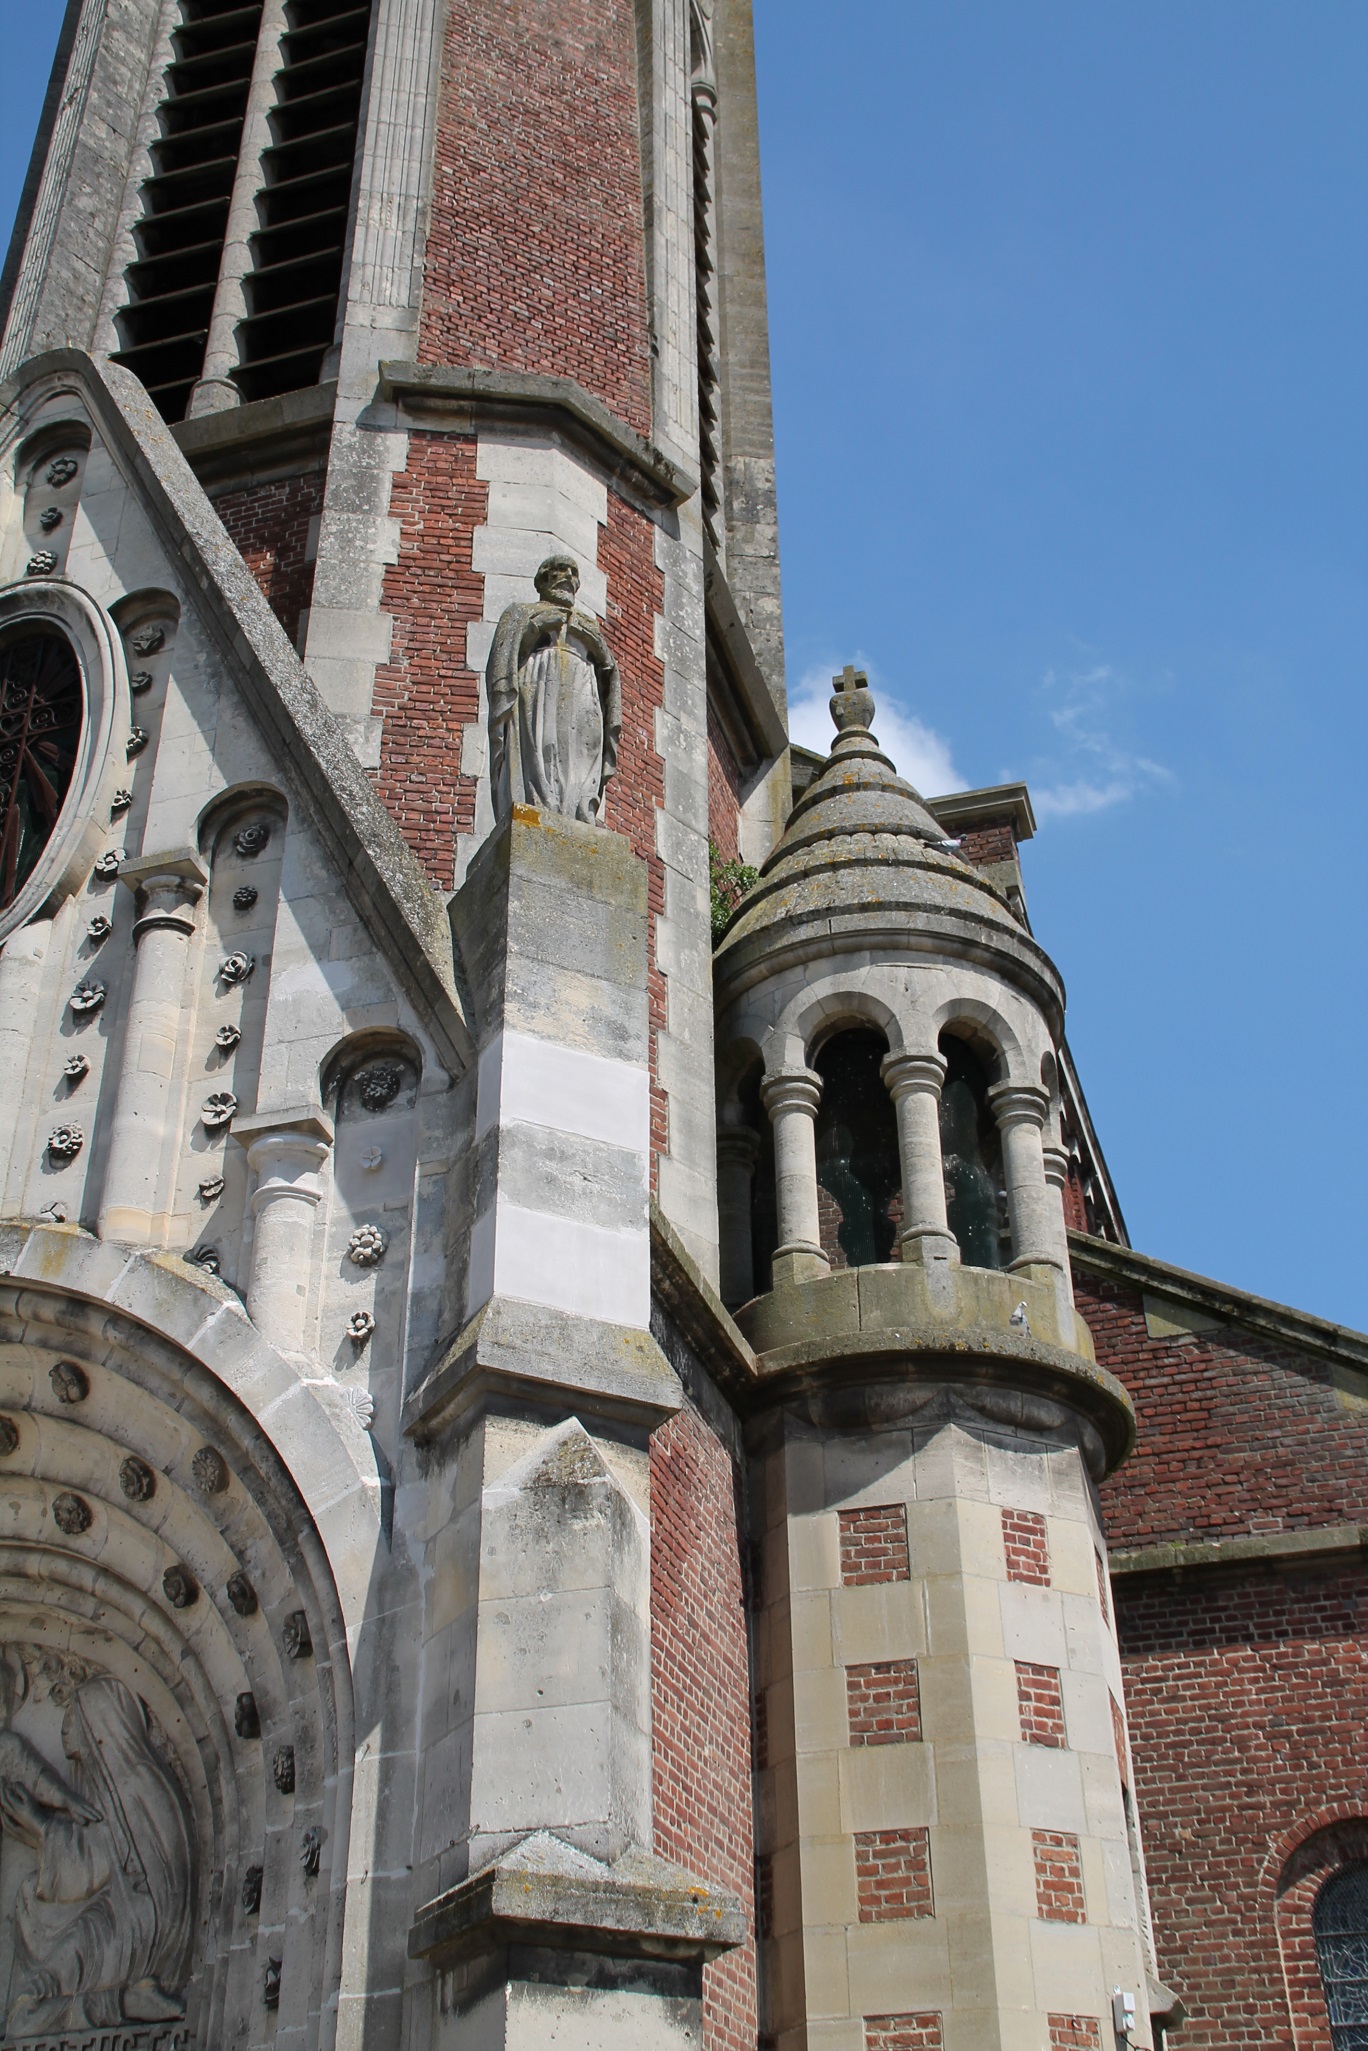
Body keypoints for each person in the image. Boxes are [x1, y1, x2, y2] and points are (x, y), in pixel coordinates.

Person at [1, 1667, 193, 2035]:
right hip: (115, 1917)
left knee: (24, 2019)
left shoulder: (138, 1788)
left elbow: (99, 1862)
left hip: (123, 1928)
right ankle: (120, 2002)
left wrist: (39, 1823)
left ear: (97, 1722)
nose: (65, 1728)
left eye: (73, 1716)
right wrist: (36, 1825)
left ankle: (117, 2003)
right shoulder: (127, 1784)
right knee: (28, 1892)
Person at [486, 554, 621, 823]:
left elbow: (608, 674)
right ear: (543, 579)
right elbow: (503, 660)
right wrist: (536, 626)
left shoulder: (589, 625)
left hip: (584, 686)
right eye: (561, 570)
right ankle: (540, 803)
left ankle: (581, 810)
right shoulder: (521, 612)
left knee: (586, 751)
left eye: (574, 573)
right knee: (543, 744)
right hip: (539, 680)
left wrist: (599, 648)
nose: (569, 578)